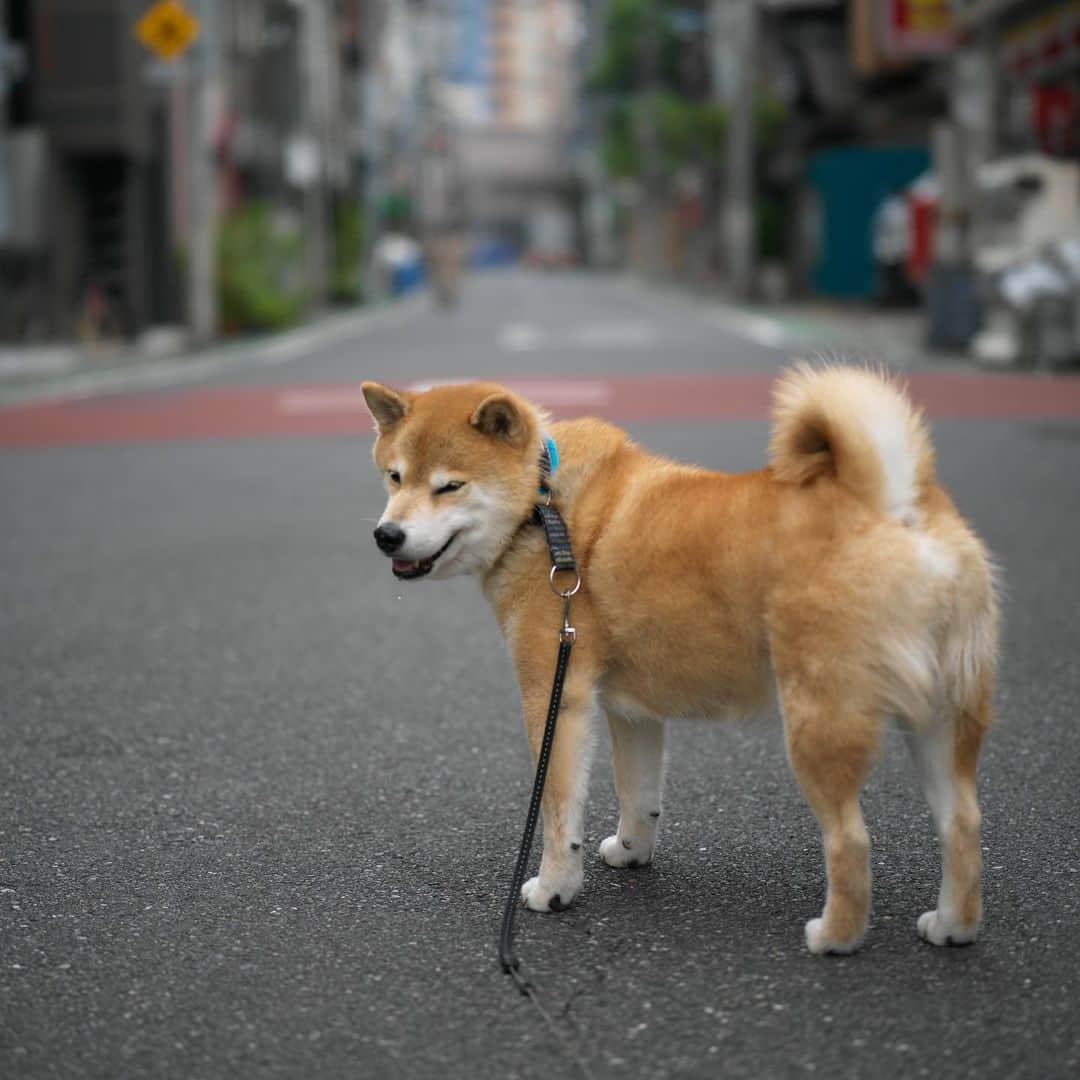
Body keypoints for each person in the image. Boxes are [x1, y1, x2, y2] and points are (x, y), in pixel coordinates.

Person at [418, 130, 468, 308]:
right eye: (433, 140)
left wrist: (460, 217)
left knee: (450, 258)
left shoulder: (453, 165)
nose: (436, 144)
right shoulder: (421, 165)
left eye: (440, 140)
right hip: (428, 221)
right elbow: (415, 192)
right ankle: (439, 289)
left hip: (451, 222)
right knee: (433, 258)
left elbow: (463, 195)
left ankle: (449, 291)